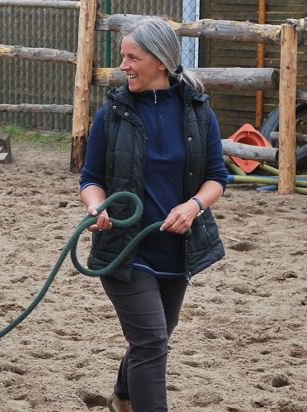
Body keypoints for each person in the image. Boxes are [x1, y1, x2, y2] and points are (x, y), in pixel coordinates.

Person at [79, 18, 228, 412]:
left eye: (133, 57)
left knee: (156, 337)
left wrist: (194, 205)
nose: (123, 66)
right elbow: (91, 178)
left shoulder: (198, 111)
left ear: (161, 62)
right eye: (123, 56)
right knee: (151, 342)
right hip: (123, 250)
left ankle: (122, 398)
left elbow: (217, 177)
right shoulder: (111, 114)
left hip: (176, 251)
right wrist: (97, 206)